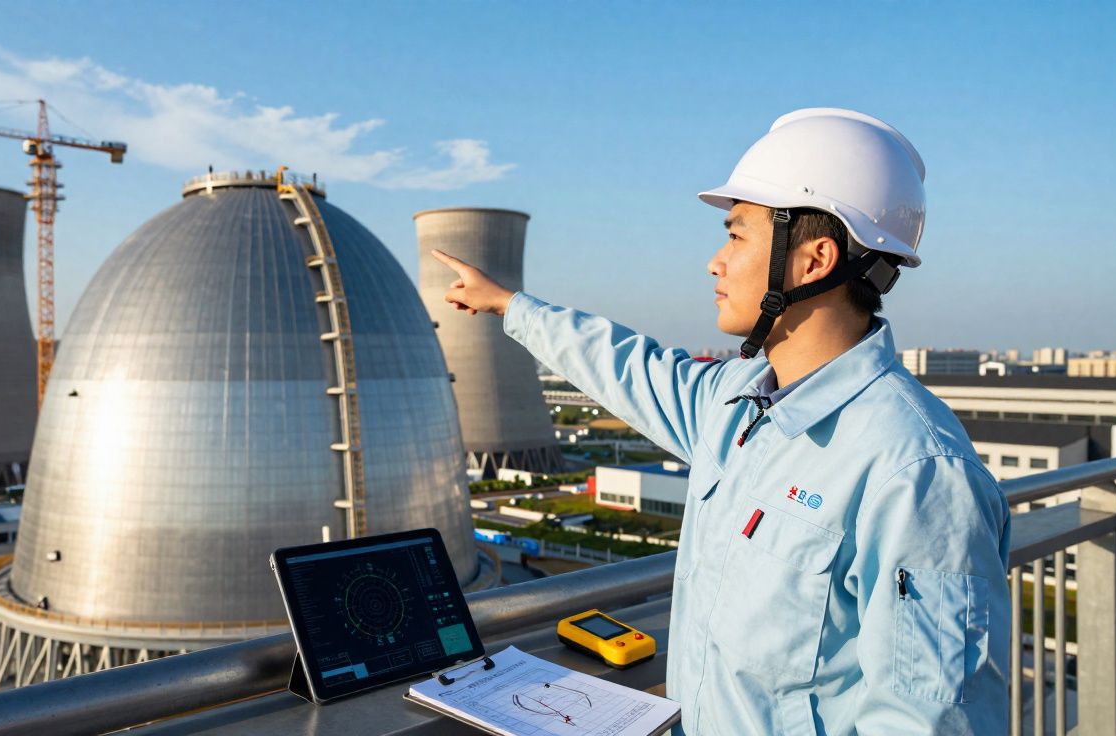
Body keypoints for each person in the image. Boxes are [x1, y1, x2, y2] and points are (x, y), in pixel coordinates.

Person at [430, 108, 1010, 735]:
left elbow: (935, 719)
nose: (716, 261)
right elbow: (628, 366)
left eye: (736, 235)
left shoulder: (916, 471)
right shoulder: (736, 403)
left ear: (812, 260)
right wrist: (510, 305)